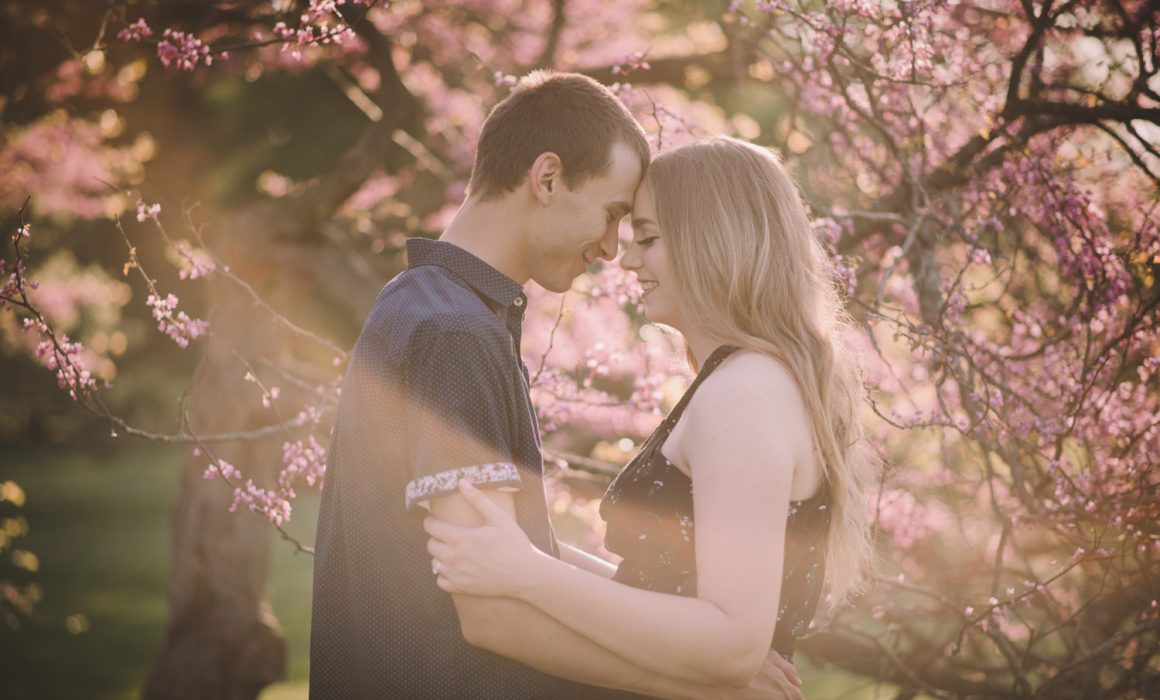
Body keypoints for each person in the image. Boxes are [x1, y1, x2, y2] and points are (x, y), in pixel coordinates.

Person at [310, 73, 800, 699]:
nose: (613, 248)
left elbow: (516, 552)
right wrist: (706, 685)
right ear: (546, 179)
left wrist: (699, 643)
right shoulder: (454, 333)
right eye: (612, 213)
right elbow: (493, 612)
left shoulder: (426, 302)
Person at [425, 136, 878, 693]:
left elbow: (732, 644)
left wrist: (529, 572)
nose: (626, 259)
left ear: (714, 240)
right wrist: (527, 555)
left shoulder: (745, 394)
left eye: (648, 238)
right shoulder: (744, 381)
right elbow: (661, 589)